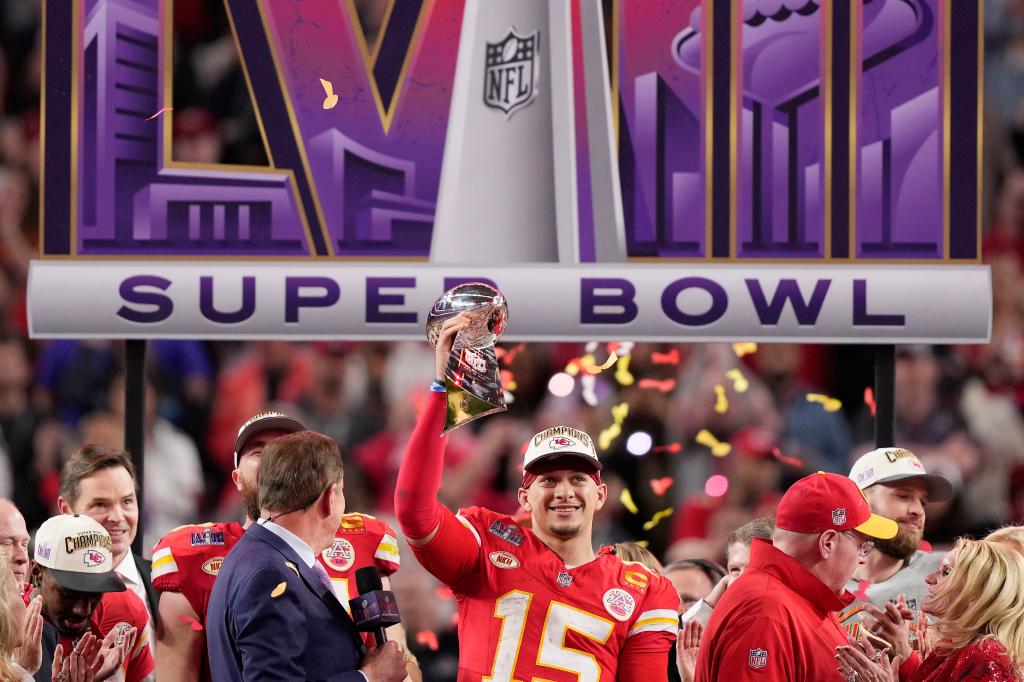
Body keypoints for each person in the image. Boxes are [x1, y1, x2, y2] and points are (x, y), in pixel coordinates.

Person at [394, 316, 679, 680]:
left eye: (578, 478)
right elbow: (414, 511)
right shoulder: (487, 545)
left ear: (600, 495)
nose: (564, 491)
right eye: (548, 480)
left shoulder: (642, 590)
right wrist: (444, 392)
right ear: (524, 496)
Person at [151, 411, 416, 681]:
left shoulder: (355, 544)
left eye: (288, 452)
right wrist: (367, 677)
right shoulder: (249, 567)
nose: (274, 461)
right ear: (237, 479)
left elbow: (394, 662)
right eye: (259, 451)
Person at [694, 472, 898, 681]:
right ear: (827, 543)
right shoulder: (765, 611)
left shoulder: (797, 599)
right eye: (862, 548)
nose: (862, 559)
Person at [836, 537, 1024, 681]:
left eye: (946, 572)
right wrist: (900, 653)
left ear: (978, 592)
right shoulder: (954, 647)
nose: (929, 578)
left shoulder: (985, 656)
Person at [838, 447, 954, 657]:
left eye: (923, 501)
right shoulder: (823, 581)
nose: (918, 510)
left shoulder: (947, 574)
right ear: (861, 500)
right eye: (903, 496)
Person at [31, 515, 148, 682]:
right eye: (69, 594)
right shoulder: (10, 627)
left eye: (94, 594)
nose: (82, 610)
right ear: (37, 572)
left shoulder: (127, 612)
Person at [56, 447, 158, 634]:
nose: (117, 517)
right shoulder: (48, 596)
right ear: (66, 510)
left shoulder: (162, 583)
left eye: (127, 501)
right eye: (100, 505)